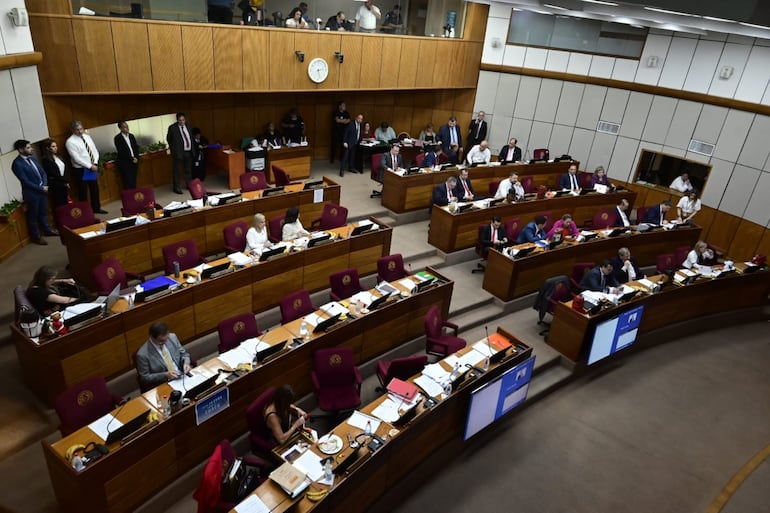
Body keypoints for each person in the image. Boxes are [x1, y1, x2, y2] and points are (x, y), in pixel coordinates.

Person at [12, 140, 57, 247]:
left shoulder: (32, 158)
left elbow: (42, 172)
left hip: (42, 190)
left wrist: (45, 185)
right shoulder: (17, 164)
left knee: (43, 211)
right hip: (31, 194)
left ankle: (47, 230)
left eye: (30, 147)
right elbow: (25, 181)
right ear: (20, 150)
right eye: (28, 148)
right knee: (33, 215)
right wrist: (41, 188)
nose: (31, 149)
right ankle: (36, 236)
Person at [135, 321, 191, 391]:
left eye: (166, 339)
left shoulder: (172, 337)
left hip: (182, 376)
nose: (165, 343)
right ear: (152, 337)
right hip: (164, 384)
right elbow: (144, 378)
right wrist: (164, 375)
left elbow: (184, 354)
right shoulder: (142, 354)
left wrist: (186, 363)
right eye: (161, 341)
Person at [65, 121, 106, 213]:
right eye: (77, 130)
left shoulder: (87, 137)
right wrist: (89, 166)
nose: (80, 131)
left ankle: (96, 208)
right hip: (81, 169)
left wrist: (95, 163)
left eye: (81, 129)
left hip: (92, 166)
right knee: (83, 191)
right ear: (72, 130)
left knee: (94, 188)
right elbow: (76, 158)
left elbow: (94, 150)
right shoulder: (70, 142)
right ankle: (86, 211)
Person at [26, 266, 94, 316]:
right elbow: (64, 300)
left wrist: (64, 280)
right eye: (52, 279)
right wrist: (80, 299)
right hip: (51, 313)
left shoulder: (36, 283)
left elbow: (52, 282)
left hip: (52, 307)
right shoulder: (39, 292)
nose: (53, 280)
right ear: (45, 279)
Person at [166, 112, 193, 194]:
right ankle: (176, 187)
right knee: (177, 171)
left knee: (188, 169)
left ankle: (189, 184)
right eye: (180, 120)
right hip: (178, 152)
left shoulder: (188, 126)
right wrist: (173, 149)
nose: (182, 122)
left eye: (183, 120)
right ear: (177, 120)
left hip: (188, 151)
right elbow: (168, 139)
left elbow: (190, 137)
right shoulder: (172, 128)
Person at [41, 138, 70, 208]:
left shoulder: (59, 156)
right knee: (59, 203)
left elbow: (64, 169)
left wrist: (66, 181)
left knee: (66, 202)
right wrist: (65, 181)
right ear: (48, 148)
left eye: (56, 146)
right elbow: (54, 173)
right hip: (56, 184)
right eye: (53, 146)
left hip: (63, 183)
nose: (55, 148)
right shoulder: (46, 159)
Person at [113, 121, 140, 190]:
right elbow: (121, 151)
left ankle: (134, 196)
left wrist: (136, 157)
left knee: (133, 181)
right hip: (125, 163)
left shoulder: (131, 136)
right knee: (128, 181)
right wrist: (131, 158)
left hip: (134, 162)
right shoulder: (117, 138)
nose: (127, 128)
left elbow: (135, 147)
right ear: (120, 128)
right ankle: (130, 197)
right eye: (124, 127)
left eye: (127, 126)